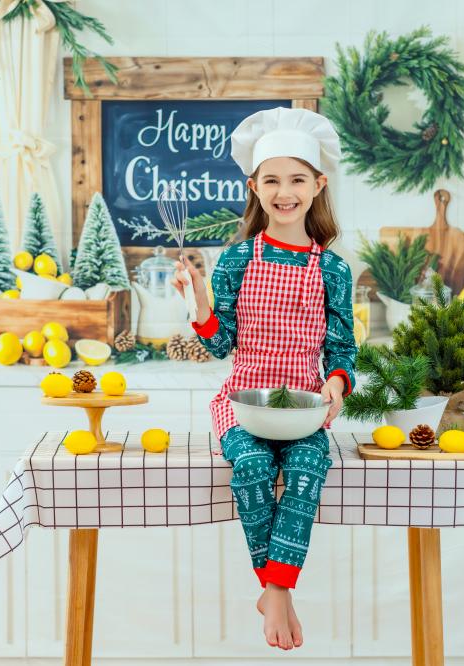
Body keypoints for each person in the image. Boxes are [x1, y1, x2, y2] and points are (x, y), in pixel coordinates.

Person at [171, 106, 357, 651]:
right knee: (250, 467)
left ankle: (275, 586)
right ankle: (277, 589)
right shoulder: (235, 260)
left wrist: (338, 385)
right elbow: (218, 343)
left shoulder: (333, 269)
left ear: (318, 185)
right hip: (242, 402)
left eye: (297, 179)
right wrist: (201, 302)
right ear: (254, 187)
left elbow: (341, 347)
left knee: (307, 467)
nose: (285, 192)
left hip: (302, 407)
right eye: (271, 180)